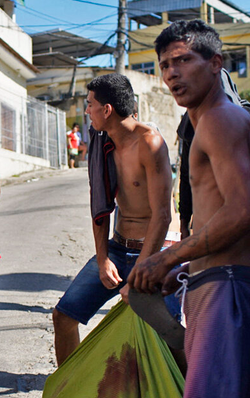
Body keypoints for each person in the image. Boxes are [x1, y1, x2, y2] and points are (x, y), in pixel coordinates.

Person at [127, 20, 250, 398]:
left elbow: (243, 211)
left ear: (215, 63)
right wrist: (188, 268)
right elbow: (225, 214)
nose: (172, 73)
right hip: (228, 284)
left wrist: (167, 257)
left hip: (226, 293)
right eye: (164, 65)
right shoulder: (216, 121)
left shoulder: (219, 119)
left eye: (184, 60)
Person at [51, 73, 173, 367]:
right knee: (63, 316)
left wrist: (142, 270)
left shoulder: (150, 143)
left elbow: (163, 215)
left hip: (153, 252)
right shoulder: (101, 141)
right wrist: (103, 258)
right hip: (117, 248)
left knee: (169, 336)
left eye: (90, 104)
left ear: (107, 110)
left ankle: (184, 389)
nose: (86, 111)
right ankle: (70, 384)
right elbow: (100, 204)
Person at [176, 68, 250, 269]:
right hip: (205, 226)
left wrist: (239, 135)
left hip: (244, 228)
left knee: (242, 281)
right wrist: (184, 222)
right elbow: (187, 176)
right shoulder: (191, 125)